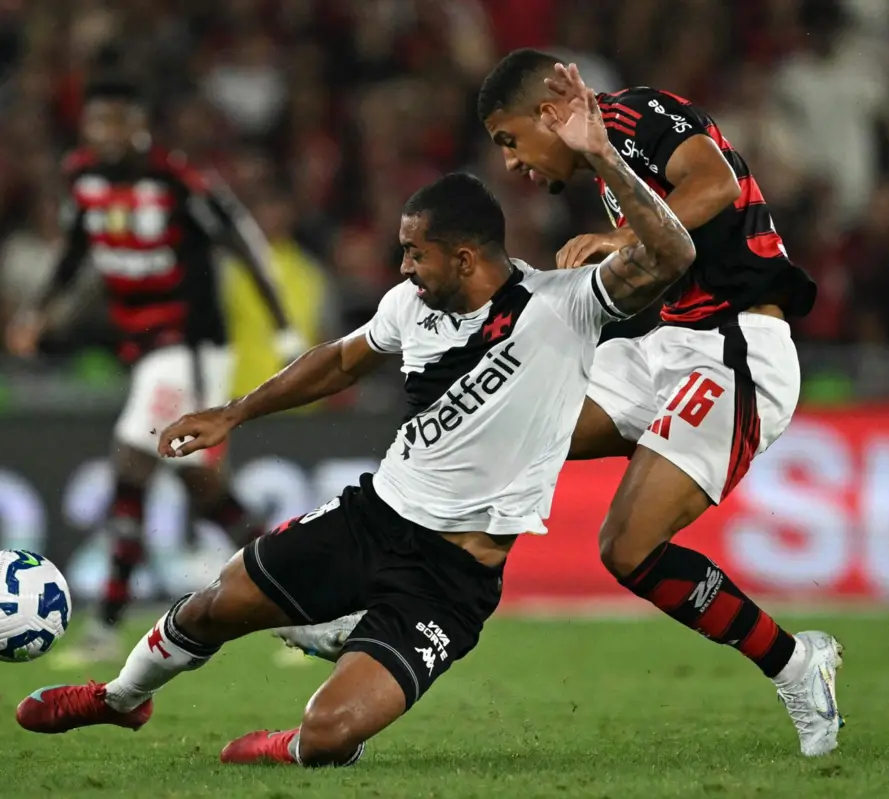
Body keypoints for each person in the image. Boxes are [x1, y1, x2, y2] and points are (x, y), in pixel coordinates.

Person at [14, 164, 696, 766]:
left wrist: (601, 159)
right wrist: (234, 412)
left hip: (450, 579)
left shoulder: (566, 305)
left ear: (464, 258)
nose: (402, 266)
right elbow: (340, 361)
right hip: (371, 520)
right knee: (217, 604)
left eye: (415, 252)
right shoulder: (410, 306)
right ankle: (121, 697)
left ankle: (304, 726)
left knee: (329, 735)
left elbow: (671, 254)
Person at [277, 52, 845, 759]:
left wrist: (625, 234)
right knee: (503, 427)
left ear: (549, 112)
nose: (511, 162)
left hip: (736, 348)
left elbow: (715, 183)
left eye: (510, 139)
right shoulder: (607, 159)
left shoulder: (636, 115)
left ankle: (796, 662)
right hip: (666, 345)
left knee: (627, 548)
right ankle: (382, 604)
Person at [6, 75, 304, 667]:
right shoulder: (83, 180)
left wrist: (281, 323)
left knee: (130, 463)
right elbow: (74, 251)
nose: (108, 133)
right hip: (145, 348)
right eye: (99, 122)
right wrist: (36, 311)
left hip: (190, 346)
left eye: (120, 121)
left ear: (141, 127)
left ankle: (105, 624)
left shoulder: (177, 180)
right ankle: (308, 603)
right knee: (207, 494)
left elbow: (242, 240)